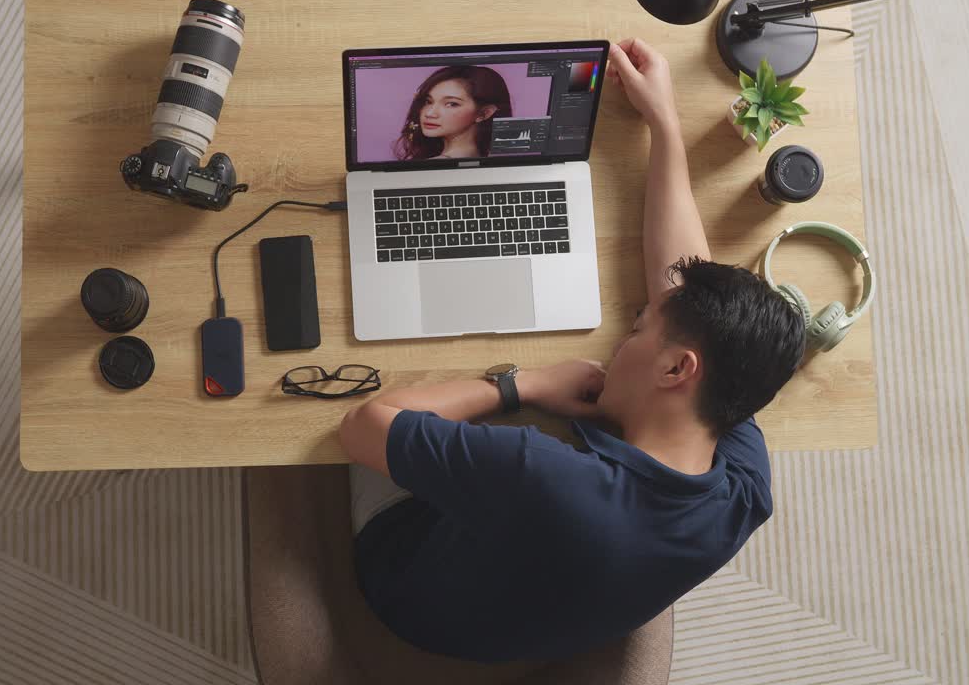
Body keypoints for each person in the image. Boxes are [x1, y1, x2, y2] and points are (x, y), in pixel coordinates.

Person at [339, 38, 807, 664]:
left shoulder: (541, 471)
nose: (626, 336)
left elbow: (363, 426)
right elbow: (685, 292)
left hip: (410, 588)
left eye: (637, 330)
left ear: (676, 368)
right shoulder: (744, 489)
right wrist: (663, 123)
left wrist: (522, 385)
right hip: (533, 610)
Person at [394, 65, 513, 160]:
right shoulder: (490, 162)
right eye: (428, 101)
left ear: (484, 113)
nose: (429, 113)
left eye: (451, 104)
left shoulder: (432, 168)